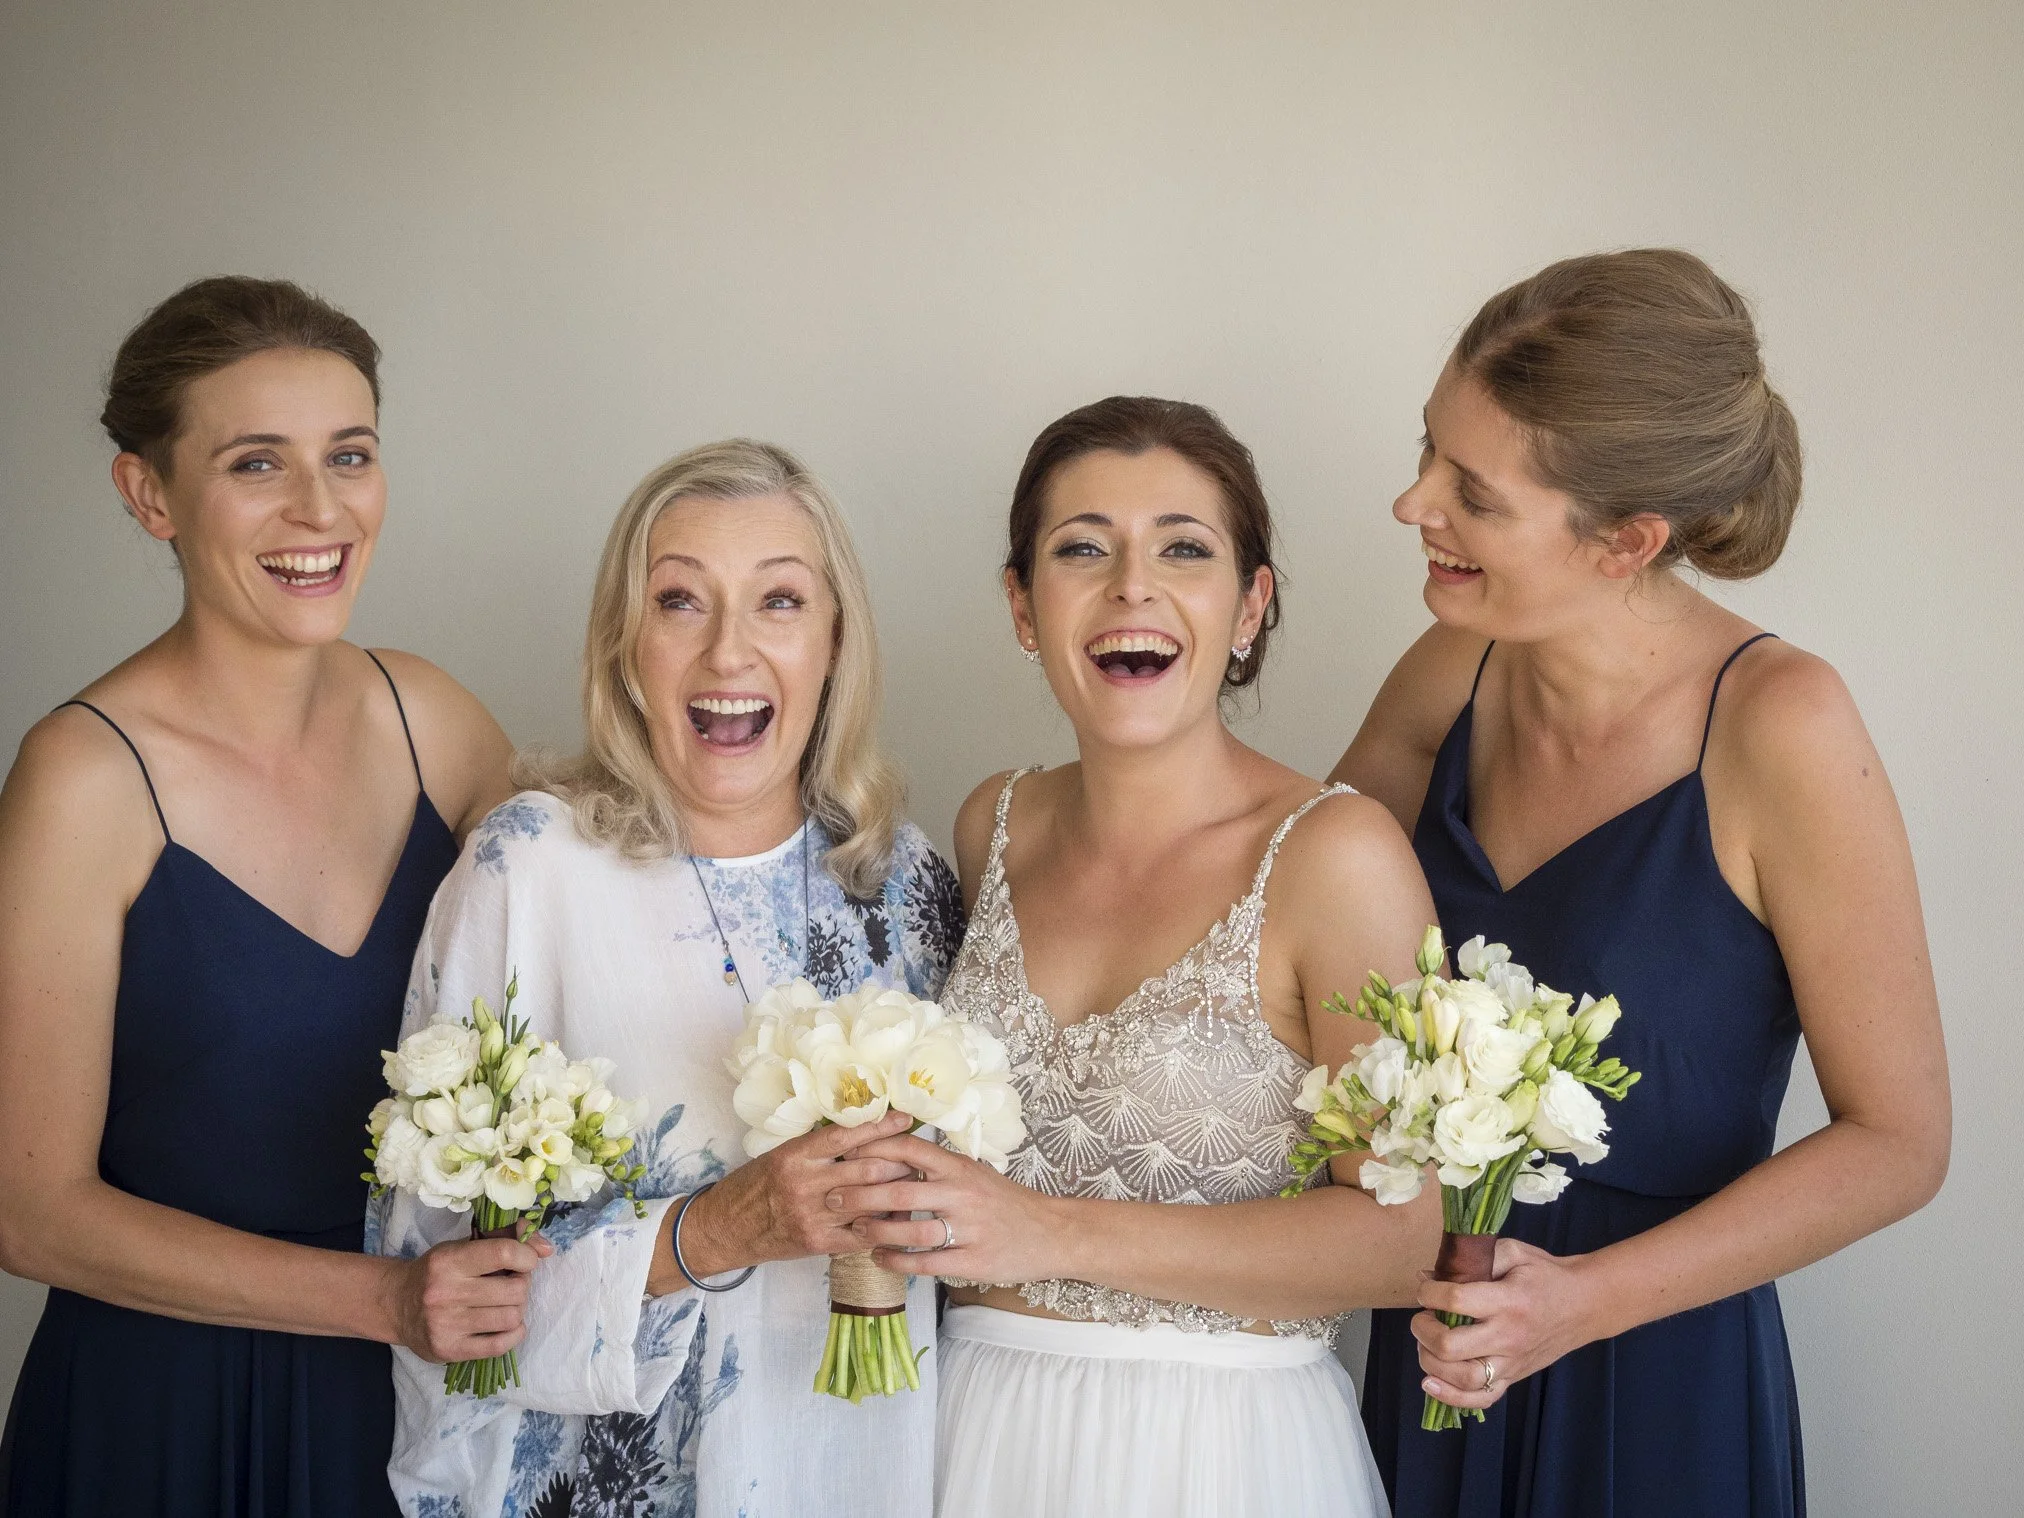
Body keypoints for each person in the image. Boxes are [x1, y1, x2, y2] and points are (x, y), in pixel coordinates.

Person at [1333, 249, 1951, 1517]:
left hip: (1652, 1381)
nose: (1411, 505)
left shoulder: (1782, 725)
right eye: (1424, 451)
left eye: (1471, 492)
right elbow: (1286, 938)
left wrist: (1577, 1307)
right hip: (1436, 1351)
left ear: (1626, 540)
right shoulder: (1445, 674)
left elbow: (1899, 1143)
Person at [834, 396, 1441, 1518]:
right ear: (1023, 604)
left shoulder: (1336, 858)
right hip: (969, 1434)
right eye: (1081, 549)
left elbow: (1400, 1239)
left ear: (1249, 603)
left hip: (1219, 1453)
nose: (1131, 586)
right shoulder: (992, 824)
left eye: (1183, 548)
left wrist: (1044, 1230)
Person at [0, 276, 530, 1516]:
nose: (319, 509)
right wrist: (384, 1300)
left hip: (411, 1417)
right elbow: (31, 1211)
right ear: (150, 495)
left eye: (349, 455)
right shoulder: (82, 780)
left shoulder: (433, 722)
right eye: (255, 463)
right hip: (166, 1418)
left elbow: (595, 954)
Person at [372, 439, 966, 1517]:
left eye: (779, 601)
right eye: (680, 601)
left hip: (850, 1472)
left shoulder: (902, 879)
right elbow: (431, 1284)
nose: (728, 652)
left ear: (834, 641)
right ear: (621, 646)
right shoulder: (528, 870)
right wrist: (715, 1231)